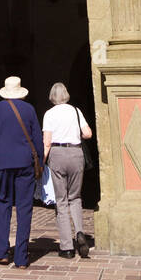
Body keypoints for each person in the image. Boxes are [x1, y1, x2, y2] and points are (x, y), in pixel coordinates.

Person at [0, 75, 44, 269]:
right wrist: (40, 163)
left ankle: (2, 252)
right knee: (24, 208)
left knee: (2, 204)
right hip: (25, 163)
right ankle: (21, 257)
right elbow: (37, 137)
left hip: (2, 163)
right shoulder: (29, 109)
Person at [42, 81, 92, 259]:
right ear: (66, 95)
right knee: (75, 197)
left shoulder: (49, 114)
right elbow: (88, 134)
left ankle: (66, 247)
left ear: (52, 97)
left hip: (57, 154)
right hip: (76, 153)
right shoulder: (76, 111)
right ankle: (79, 232)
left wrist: (41, 162)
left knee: (61, 200)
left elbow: (47, 142)